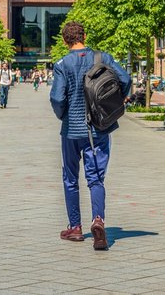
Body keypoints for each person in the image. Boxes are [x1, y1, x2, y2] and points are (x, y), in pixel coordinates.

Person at [50, 21, 131, 250]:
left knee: (70, 178)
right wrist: (115, 102)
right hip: (100, 128)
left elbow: (57, 98)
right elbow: (125, 80)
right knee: (96, 178)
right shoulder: (102, 57)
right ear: (84, 35)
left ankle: (75, 228)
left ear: (65, 41)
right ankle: (98, 220)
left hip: (72, 131)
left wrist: (63, 116)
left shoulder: (62, 64)